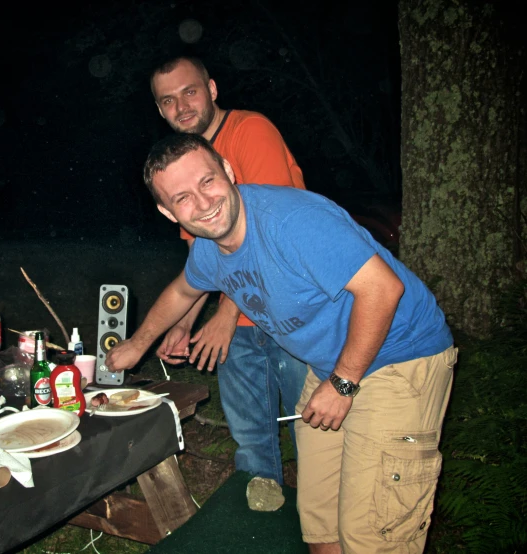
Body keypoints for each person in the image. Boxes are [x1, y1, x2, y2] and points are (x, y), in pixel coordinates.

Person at [105, 133, 456, 553]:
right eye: (182, 198)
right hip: (331, 364)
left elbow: (383, 290)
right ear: (167, 211)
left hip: (401, 359)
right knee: (320, 527)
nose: (203, 203)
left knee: (373, 538)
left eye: (208, 181)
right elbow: (183, 291)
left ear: (229, 172)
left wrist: (343, 383)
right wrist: (137, 345)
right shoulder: (209, 248)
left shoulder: (293, 223)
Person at [149, 55, 308, 490]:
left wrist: (224, 317)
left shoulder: (250, 131)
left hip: (289, 310)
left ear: (212, 89)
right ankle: (262, 523)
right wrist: (182, 325)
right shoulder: (183, 164)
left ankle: (323, 529)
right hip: (239, 321)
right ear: (159, 110)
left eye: (190, 92)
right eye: (167, 100)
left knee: (310, 433)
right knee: (251, 440)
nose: (181, 107)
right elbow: (203, 263)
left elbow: (264, 234)